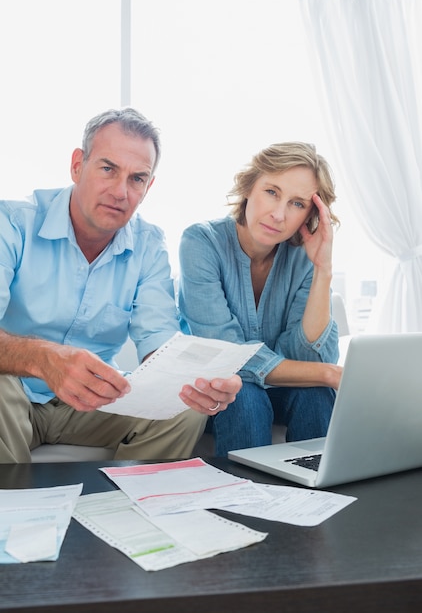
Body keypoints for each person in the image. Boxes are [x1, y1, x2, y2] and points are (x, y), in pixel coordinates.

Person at [0, 107, 241, 463]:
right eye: (108, 169)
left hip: (90, 403)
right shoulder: (13, 223)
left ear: (149, 186)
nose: (120, 191)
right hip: (12, 393)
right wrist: (44, 359)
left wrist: (199, 383)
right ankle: (15, 514)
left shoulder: (149, 245)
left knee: (185, 406)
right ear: (78, 165)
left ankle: (122, 509)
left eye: (137, 178)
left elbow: (158, 343)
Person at [178, 142, 343, 457]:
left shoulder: (303, 257)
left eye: (297, 204)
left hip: (284, 392)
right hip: (222, 394)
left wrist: (323, 269)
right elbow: (229, 357)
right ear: (249, 187)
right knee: (244, 394)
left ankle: (321, 500)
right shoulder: (201, 242)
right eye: (272, 192)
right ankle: (244, 502)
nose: (279, 215)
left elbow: (309, 357)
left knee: (318, 394)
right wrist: (330, 373)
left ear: (311, 214)